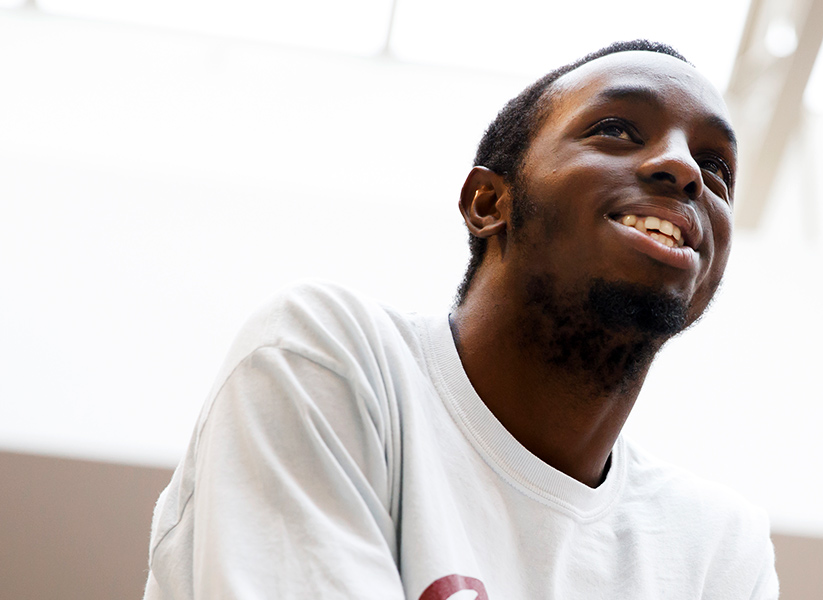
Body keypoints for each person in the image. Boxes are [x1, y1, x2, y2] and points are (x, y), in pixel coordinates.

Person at [142, 40, 775, 599]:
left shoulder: (716, 548)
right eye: (616, 129)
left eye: (717, 169)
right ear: (488, 202)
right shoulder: (331, 355)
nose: (687, 170)